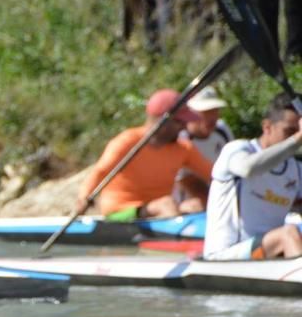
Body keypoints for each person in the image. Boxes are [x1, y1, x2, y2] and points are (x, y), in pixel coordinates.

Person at [76, 88, 214, 220]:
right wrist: (84, 197)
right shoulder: (127, 142)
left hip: (160, 210)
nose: (185, 127)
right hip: (121, 211)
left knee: (197, 205)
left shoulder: (183, 148)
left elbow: (212, 174)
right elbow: (100, 171)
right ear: (162, 121)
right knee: (166, 205)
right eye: (180, 122)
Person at [203, 93, 302, 260]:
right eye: (290, 131)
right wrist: (297, 139)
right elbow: (248, 168)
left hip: (266, 251)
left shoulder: (296, 169)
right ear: (267, 127)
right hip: (226, 254)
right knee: (288, 234)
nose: (294, 136)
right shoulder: (236, 150)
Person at [182, 86, 233, 164]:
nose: (212, 117)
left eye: (215, 110)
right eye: (205, 112)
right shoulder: (179, 140)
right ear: (190, 112)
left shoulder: (222, 129)